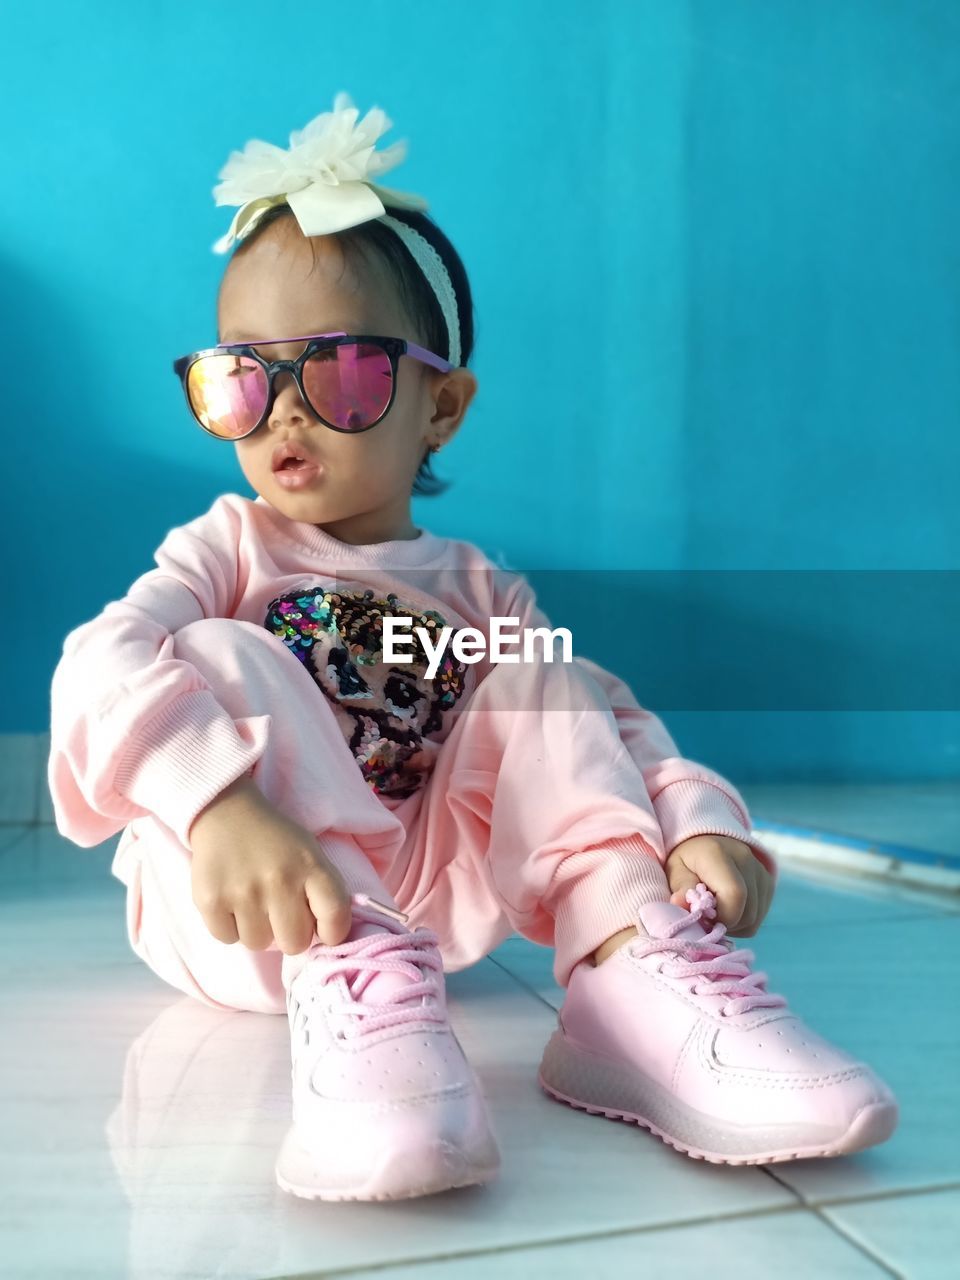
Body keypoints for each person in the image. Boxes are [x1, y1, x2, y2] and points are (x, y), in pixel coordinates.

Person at [47, 93, 898, 1203]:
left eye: (343, 373)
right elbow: (97, 661)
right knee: (221, 647)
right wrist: (215, 803)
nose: (286, 416)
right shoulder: (226, 545)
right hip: (244, 902)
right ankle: (361, 1025)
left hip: (427, 914)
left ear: (440, 404)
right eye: (246, 379)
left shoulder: (480, 587)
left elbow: (613, 723)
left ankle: (624, 972)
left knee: (548, 678)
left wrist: (694, 823)